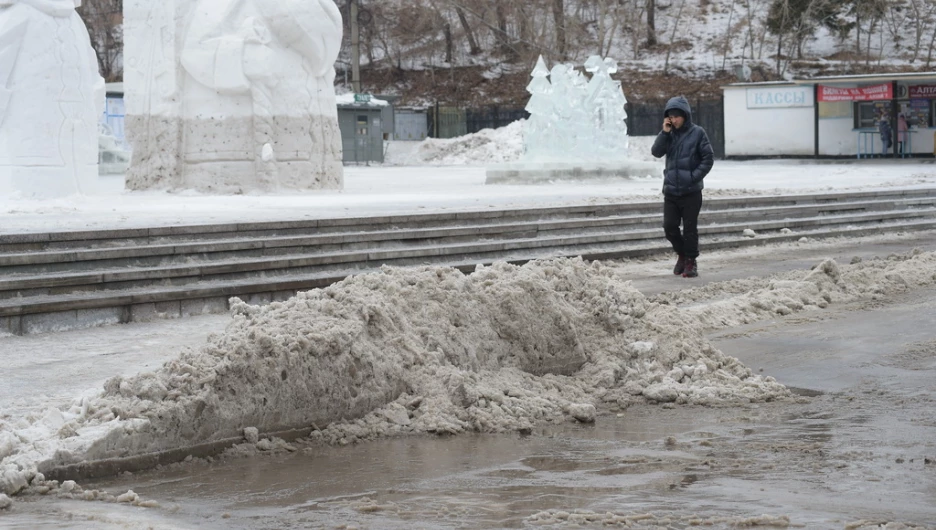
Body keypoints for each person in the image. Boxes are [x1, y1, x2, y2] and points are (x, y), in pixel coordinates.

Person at [651, 96, 715, 278]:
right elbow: (656, 152)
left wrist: (693, 177)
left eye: (677, 116)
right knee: (669, 227)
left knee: (689, 229)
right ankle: (681, 254)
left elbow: (708, 158)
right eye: (670, 116)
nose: (674, 119)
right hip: (671, 190)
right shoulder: (668, 134)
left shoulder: (698, 133)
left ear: (685, 116)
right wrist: (664, 133)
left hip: (691, 192)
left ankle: (691, 261)